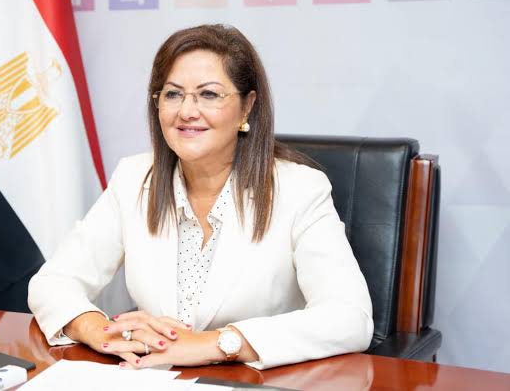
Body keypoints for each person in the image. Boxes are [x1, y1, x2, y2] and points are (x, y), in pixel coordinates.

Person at [28, 24, 373, 370]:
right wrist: (99, 330)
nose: (186, 111)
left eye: (209, 94)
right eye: (172, 94)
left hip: (256, 381)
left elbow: (350, 318)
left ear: (247, 107)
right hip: (153, 377)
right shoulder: (132, 178)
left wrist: (218, 344)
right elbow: (53, 282)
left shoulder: (300, 190)